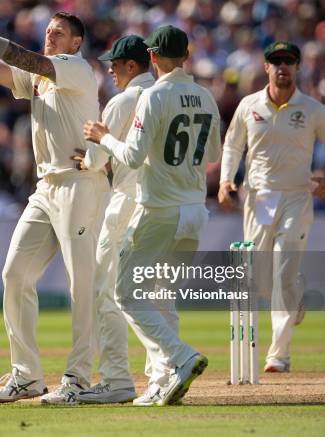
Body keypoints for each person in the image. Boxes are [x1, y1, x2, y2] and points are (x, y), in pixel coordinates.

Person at [0, 4, 109, 404]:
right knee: (15, 274)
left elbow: (22, 57)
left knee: (81, 284)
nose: (50, 36)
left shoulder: (77, 68)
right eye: (48, 31)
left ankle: (78, 378)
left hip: (81, 183)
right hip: (46, 187)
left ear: (76, 42)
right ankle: (26, 376)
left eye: (58, 33)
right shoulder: (40, 77)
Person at [84, 25, 220, 406]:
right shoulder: (206, 95)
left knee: (125, 294)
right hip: (195, 211)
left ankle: (180, 358)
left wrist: (102, 137)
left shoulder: (153, 95)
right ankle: (164, 382)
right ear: (187, 57)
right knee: (162, 298)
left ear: (154, 57)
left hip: (158, 209)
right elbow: (211, 155)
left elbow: (130, 157)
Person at [218, 41, 325, 373]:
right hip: (259, 197)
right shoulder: (249, 105)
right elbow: (233, 145)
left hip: (296, 197)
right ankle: (295, 295)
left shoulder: (312, 109)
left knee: (283, 272)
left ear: (298, 67)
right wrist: (225, 180)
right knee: (261, 280)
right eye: (276, 62)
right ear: (266, 68)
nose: (282, 67)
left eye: (289, 61)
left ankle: (279, 354)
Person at [71, 35, 155, 404]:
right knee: (153, 294)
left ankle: (117, 379)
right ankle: (162, 373)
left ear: (132, 66)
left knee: (108, 291)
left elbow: (95, 159)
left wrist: (88, 156)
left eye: (116, 64)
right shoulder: (165, 95)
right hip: (162, 204)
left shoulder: (123, 102)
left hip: (126, 201)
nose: (110, 70)